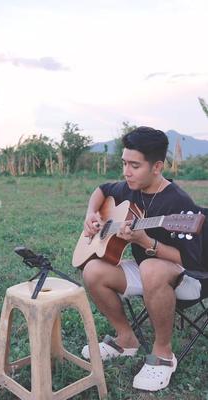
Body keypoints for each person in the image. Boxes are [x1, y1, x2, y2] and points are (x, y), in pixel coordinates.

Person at [81, 126, 203, 392]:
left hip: (186, 276)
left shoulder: (178, 203)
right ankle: (126, 339)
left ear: (157, 166)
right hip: (145, 268)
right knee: (92, 271)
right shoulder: (128, 188)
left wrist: (147, 242)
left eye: (135, 166)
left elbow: (191, 261)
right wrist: (91, 214)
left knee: (151, 267)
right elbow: (101, 190)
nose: (126, 171)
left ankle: (162, 355)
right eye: (125, 163)